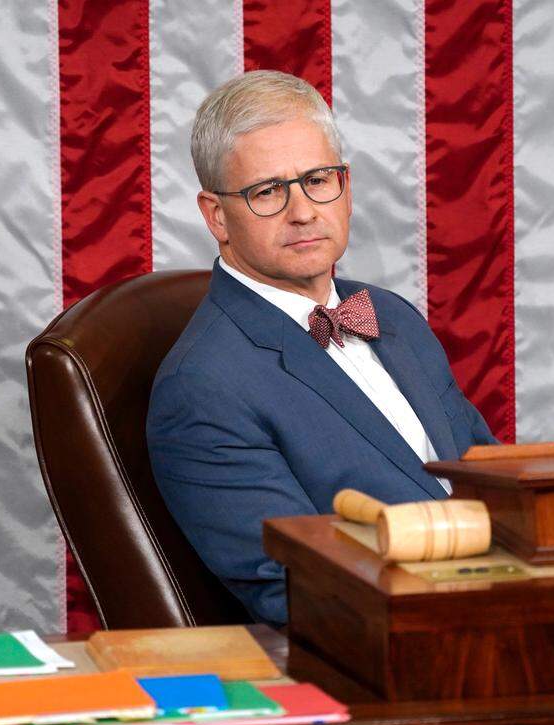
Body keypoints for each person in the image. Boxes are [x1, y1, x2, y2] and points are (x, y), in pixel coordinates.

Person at [146, 70, 496, 625]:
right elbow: (298, 591)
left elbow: (490, 478)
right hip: (405, 652)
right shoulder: (202, 388)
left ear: (346, 188)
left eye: (318, 179)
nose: (303, 210)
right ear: (217, 216)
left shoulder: (393, 316)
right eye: (267, 192)